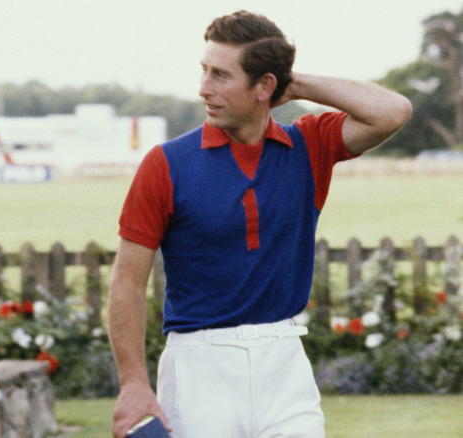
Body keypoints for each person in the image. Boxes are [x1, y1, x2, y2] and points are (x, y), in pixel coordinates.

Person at [107, 10, 412, 438]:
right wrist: (134, 382)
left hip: (285, 365)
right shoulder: (166, 164)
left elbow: (393, 111)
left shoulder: (308, 146)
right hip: (198, 369)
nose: (203, 88)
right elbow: (127, 280)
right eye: (203, 71)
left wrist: (297, 82)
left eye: (220, 76)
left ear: (265, 86)